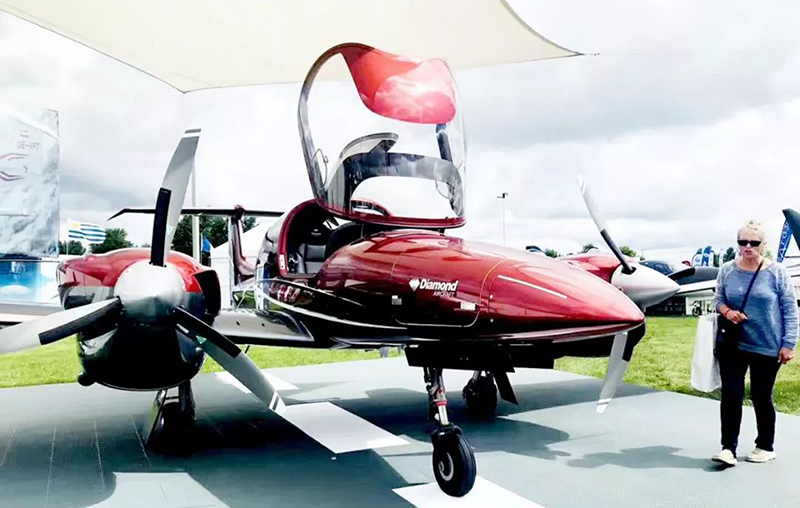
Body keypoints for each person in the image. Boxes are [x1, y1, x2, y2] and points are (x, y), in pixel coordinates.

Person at [712, 220, 798, 466]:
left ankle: (765, 446)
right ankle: (728, 448)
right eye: (742, 242)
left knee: (761, 396)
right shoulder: (727, 270)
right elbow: (718, 299)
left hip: (767, 345)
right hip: (734, 343)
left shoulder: (777, 272)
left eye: (753, 242)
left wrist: (789, 344)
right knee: (731, 395)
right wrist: (727, 312)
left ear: (764, 244)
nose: (747, 246)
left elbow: (790, 310)